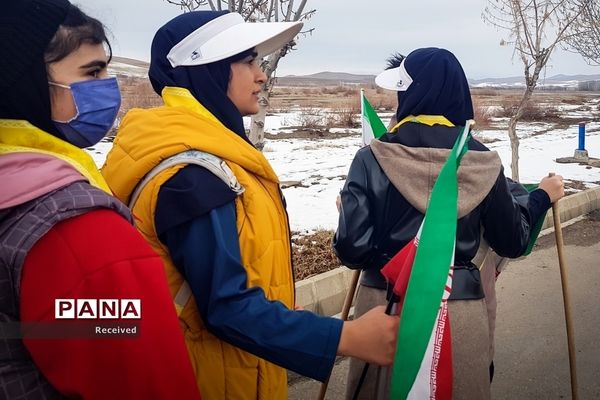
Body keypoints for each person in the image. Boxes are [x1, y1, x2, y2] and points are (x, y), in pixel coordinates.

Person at [101, 10, 399, 400]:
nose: (262, 75)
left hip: (237, 371)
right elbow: (226, 306)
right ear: (206, 69)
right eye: (247, 61)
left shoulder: (208, 155)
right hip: (213, 382)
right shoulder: (192, 175)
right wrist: (345, 337)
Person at [333, 47, 565, 399]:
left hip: (382, 315)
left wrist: (348, 215)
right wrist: (542, 197)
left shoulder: (371, 158)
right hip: (460, 314)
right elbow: (512, 241)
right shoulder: (483, 161)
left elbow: (353, 249)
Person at [0, 1, 201, 398]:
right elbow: (146, 380)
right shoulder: (78, 232)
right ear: (24, 85)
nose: (110, 86)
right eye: (92, 72)